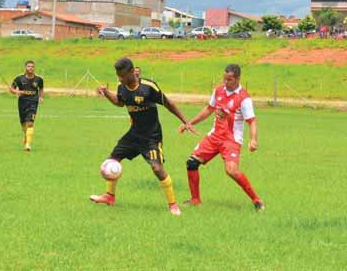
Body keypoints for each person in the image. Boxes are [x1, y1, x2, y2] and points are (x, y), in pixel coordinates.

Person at [91, 58, 198, 216]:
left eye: (122, 75)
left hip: (151, 136)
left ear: (131, 72)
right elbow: (120, 102)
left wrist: (186, 121)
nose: (120, 79)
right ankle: (109, 196)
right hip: (133, 134)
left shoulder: (149, 87)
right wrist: (106, 92)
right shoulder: (121, 87)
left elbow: (169, 104)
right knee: (112, 160)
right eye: (118, 76)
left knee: (157, 168)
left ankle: (173, 205)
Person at [180, 64, 264, 211]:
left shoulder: (244, 98)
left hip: (231, 140)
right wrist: (189, 123)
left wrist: (253, 139)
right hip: (214, 136)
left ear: (238, 79)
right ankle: (195, 200)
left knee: (231, 171)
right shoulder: (218, 91)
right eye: (224, 79)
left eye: (229, 80)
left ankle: (256, 200)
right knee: (191, 163)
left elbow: (252, 121)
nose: (226, 82)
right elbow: (208, 109)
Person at [10, 60, 44, 151]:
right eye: (29, 66)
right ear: (25, 67)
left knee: (30, 123)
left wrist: (40, 97)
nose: (31, 68)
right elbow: (11, 89)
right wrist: (18, 92)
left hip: (33, 102)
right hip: (22, 102)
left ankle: (28, 145)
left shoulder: (39, 79)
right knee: (23, 123)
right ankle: (26, 136)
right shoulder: (19, 78)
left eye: (32, 66)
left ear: (34, 68)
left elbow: (41, 88)